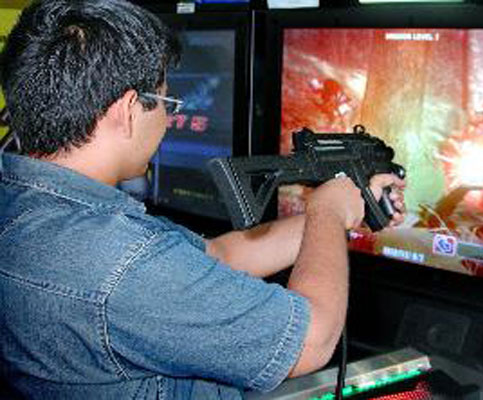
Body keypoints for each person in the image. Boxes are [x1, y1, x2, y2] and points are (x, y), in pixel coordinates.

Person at [0, 1, 406, 399]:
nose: (168, 120)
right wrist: (328, 211)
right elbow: (311, 340)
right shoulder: (124, 261)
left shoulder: (33, 207)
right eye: (166, 104)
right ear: (127, 110)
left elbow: (220, 255)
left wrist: (347, 210)